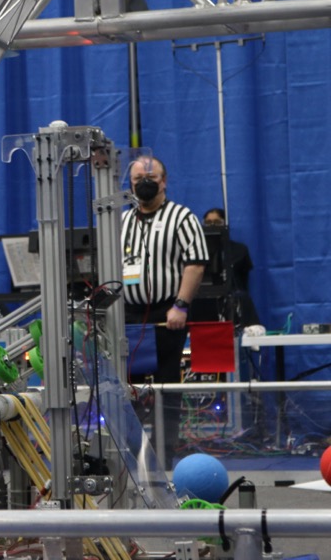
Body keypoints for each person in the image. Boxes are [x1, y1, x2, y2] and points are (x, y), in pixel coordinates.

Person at [121, 157, 208, 463]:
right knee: (125, 389)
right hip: (128, 318)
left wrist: (181, 306)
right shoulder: (122, 221)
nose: (144, 181)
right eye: (137, 178)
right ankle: (130, 455)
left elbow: (196, 264)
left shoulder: (182, 217)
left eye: (151, 176)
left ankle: (164, 456)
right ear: (129, 184)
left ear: (164, 181)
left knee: (167, 388)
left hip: (167, 315)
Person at [202, 208, 258, 327]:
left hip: (233, 300)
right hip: (205, 300)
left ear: (225, 224)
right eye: (208, 223)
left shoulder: (240, 250)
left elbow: (244, 281)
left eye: (217, 222)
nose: (212, 226)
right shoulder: (198, 252)